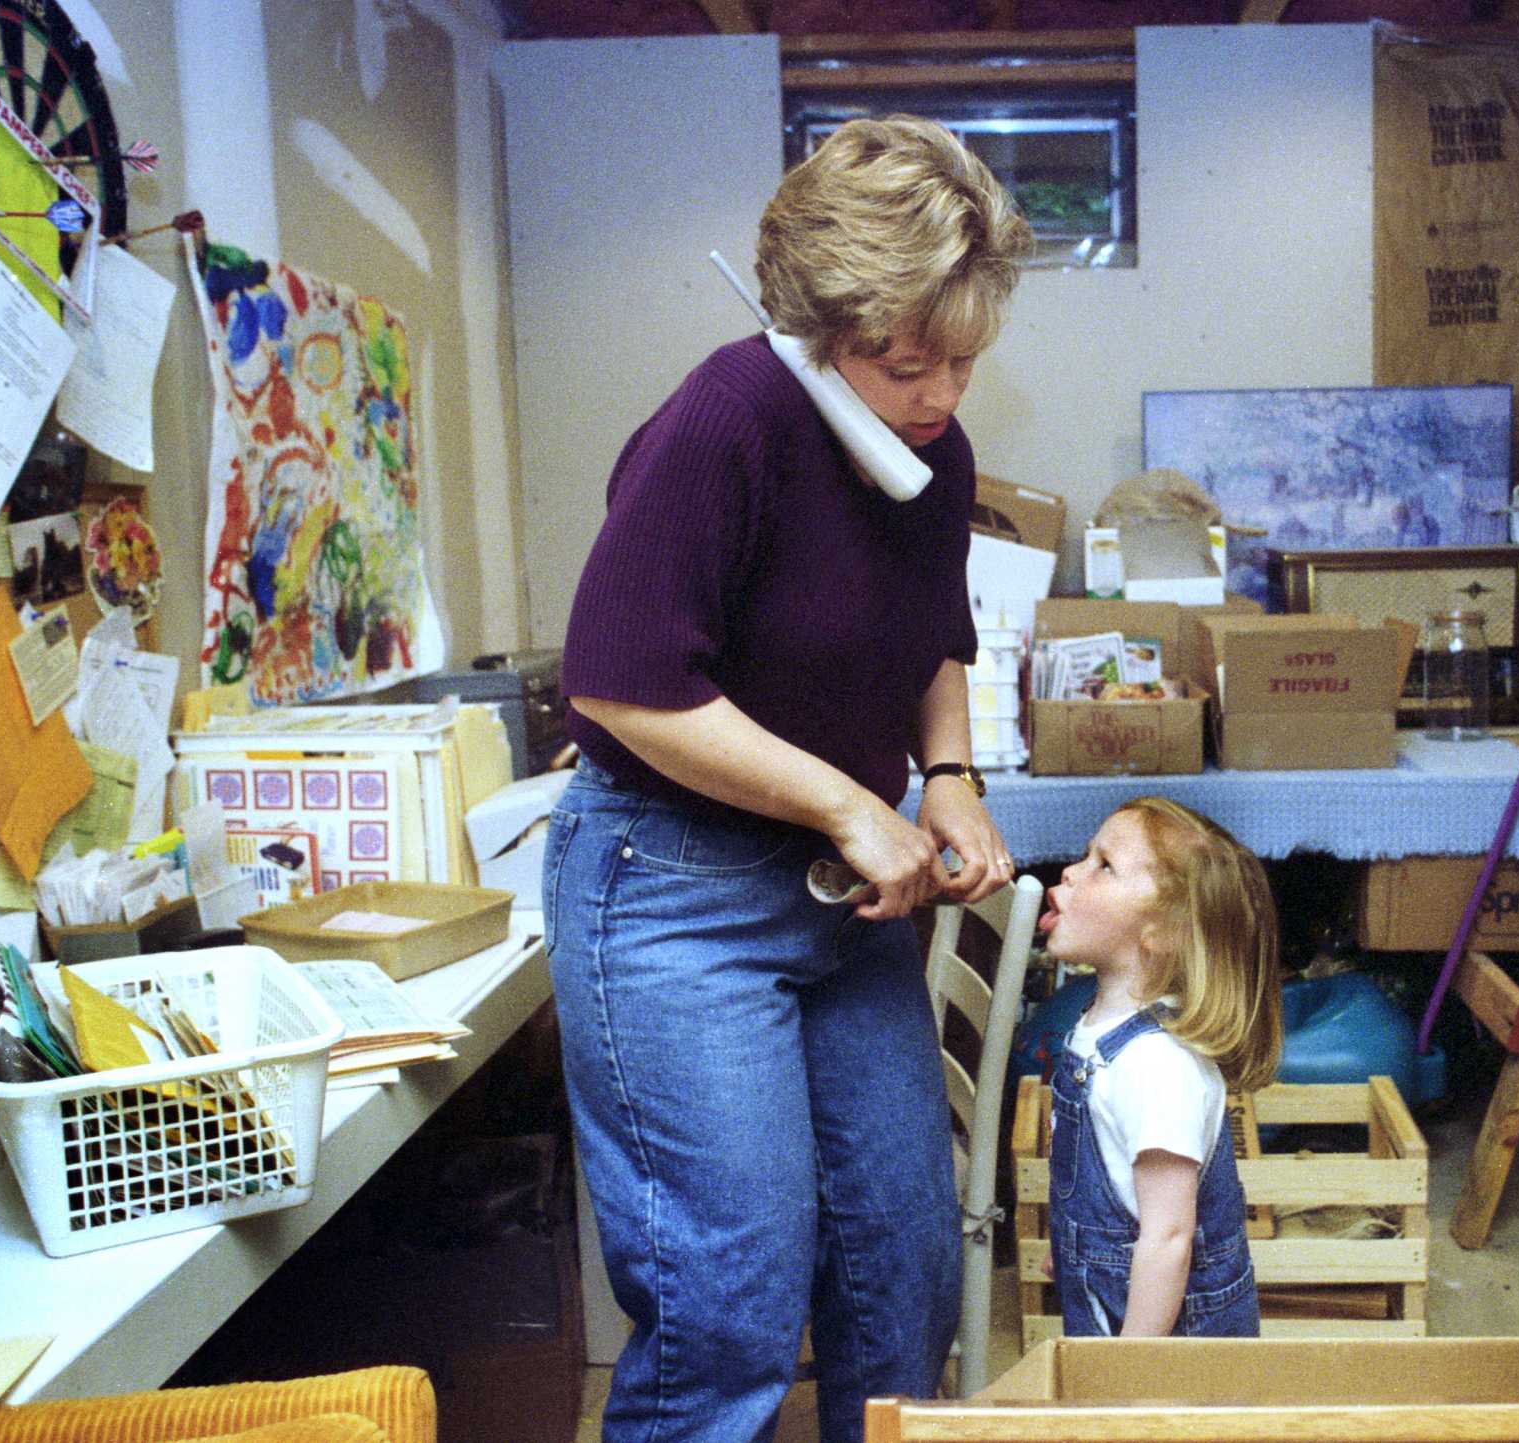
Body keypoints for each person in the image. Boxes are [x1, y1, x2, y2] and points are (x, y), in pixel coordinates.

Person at [542, 115, 1033, 1442]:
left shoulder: (936, 453)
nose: (940, 394)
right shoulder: (729, 415)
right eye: (904, 362)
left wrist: (948, 774)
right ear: (820, 325)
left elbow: (934, 627)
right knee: (729, 1310)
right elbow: (620, 682)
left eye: (964, 361)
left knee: (903, 1281)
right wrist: (844, 801)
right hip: (672, 890)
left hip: (843, 900)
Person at [1037, 798, 1282, 1338]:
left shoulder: (1158, 1067)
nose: (1072, 872)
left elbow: (1169, 1238)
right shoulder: (1101, 1026)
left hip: (1168, 1336)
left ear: (1162, 932)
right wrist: (1074, 1252)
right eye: (1085, 856)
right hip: (1115, 1290)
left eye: (1104, 865)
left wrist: (1135, 1370)